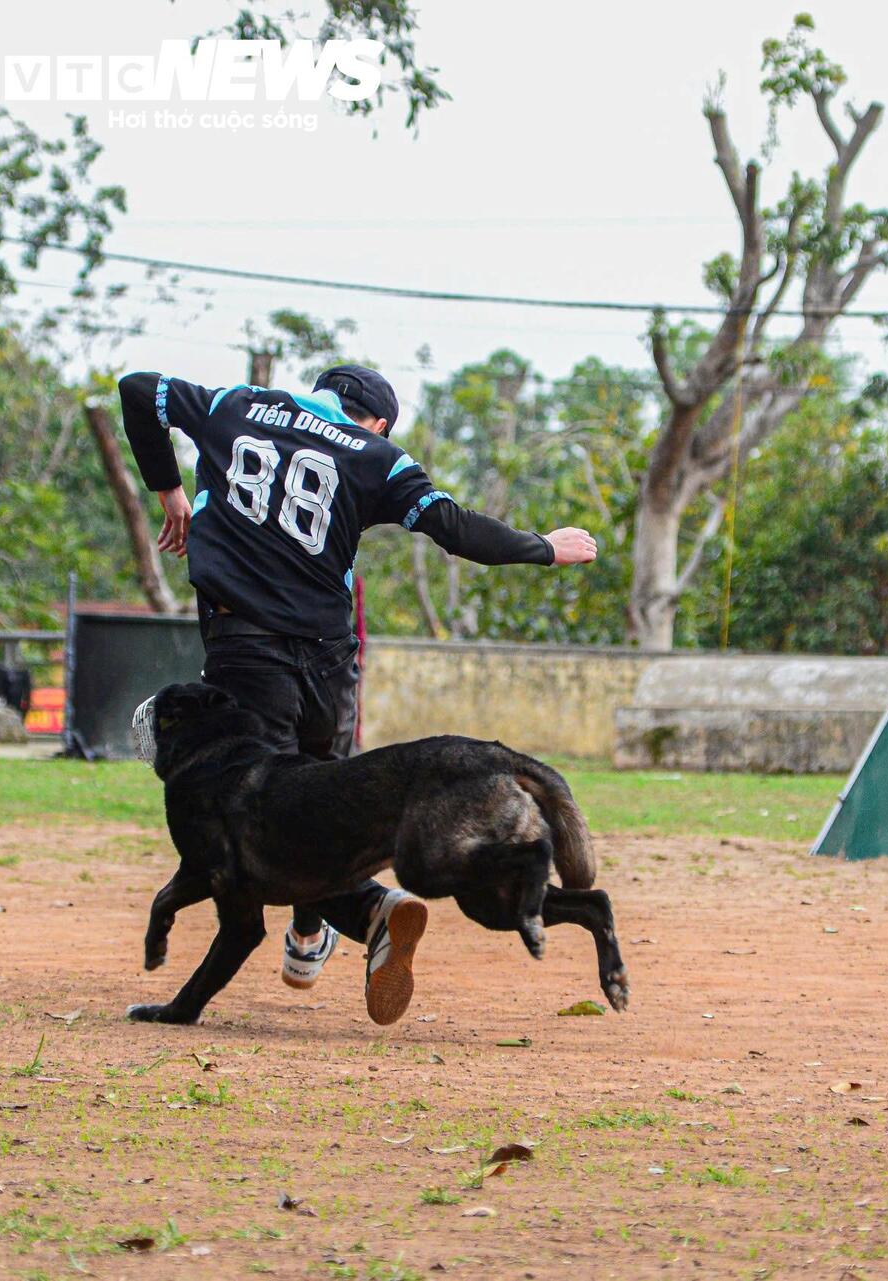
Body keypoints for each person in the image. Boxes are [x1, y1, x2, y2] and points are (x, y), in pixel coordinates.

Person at [117, 363, 598, 1026]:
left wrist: (170, 491)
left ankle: (372, 911)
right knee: (322, 800)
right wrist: (543, 546)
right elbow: (454, 527)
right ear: (379, 422)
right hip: (329, 661)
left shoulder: (235, 405)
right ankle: (309, 931)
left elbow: (137, 390)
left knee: (261, 819)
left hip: (247, 647)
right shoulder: (377, 456)